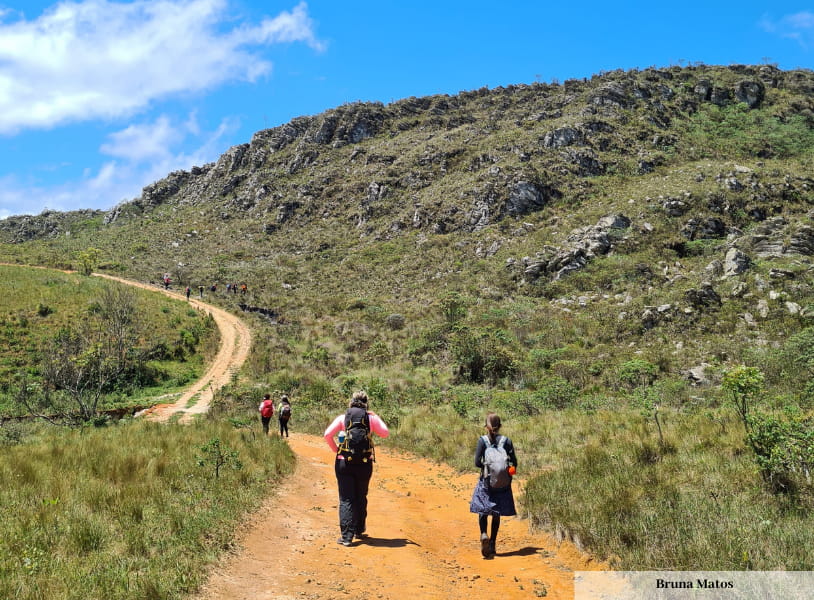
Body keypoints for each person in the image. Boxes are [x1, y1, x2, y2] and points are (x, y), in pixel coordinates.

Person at [323, 391, 389, 546]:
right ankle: (359, 529)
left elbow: (327, 434)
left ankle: (347, 537)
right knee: (361, 495)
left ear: (351, 402)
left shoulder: (343, 418)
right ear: (367, 403)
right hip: (365, 463)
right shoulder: (370, 418)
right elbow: (385, 433)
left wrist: (336, 450)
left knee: (346, 498)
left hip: (344, 462)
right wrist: (375, 416)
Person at [469, 412, 517, 558]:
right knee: (497, 513)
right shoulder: (507, 441)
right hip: (502, 483)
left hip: (486, 481)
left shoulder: (482, 441)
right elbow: (514, 462)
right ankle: (493, 544)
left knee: (483, 509)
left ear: (486, 426)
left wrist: (487, 466)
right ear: (500, 425)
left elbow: (477, 462)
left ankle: (484, 533)